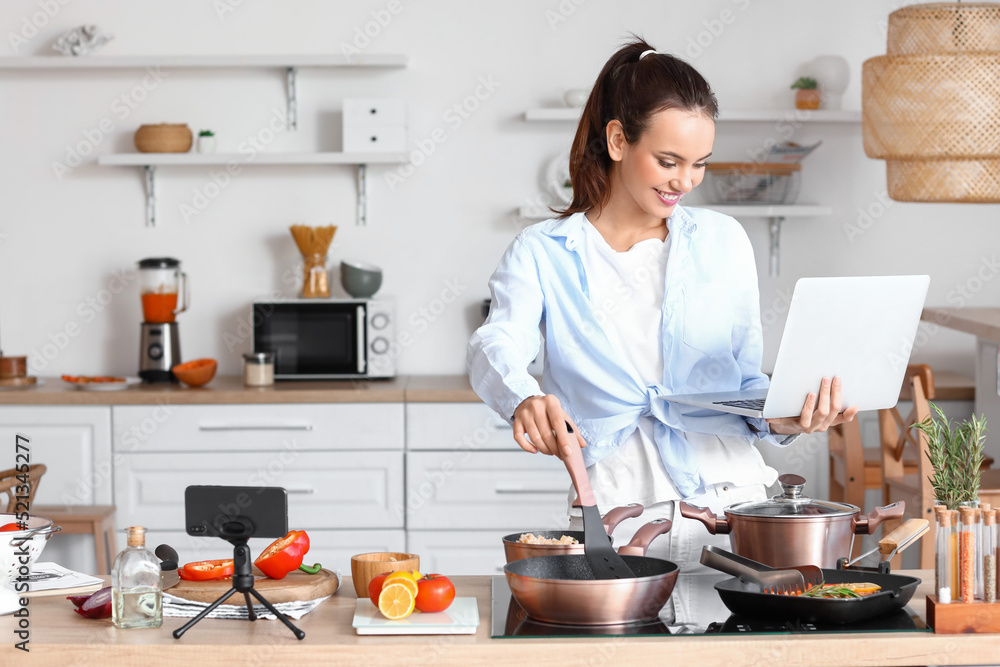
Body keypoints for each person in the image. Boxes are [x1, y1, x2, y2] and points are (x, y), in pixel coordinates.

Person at [467, 39, 859, 623]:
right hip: (620, 522)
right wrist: (523, 397)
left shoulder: (723, 241)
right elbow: (496, 343)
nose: (686, 182)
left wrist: (787, 415)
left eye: (700, 164)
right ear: (619, 140)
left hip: (735, 514)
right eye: (669, 161)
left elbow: (745, 382)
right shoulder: (543, 252)